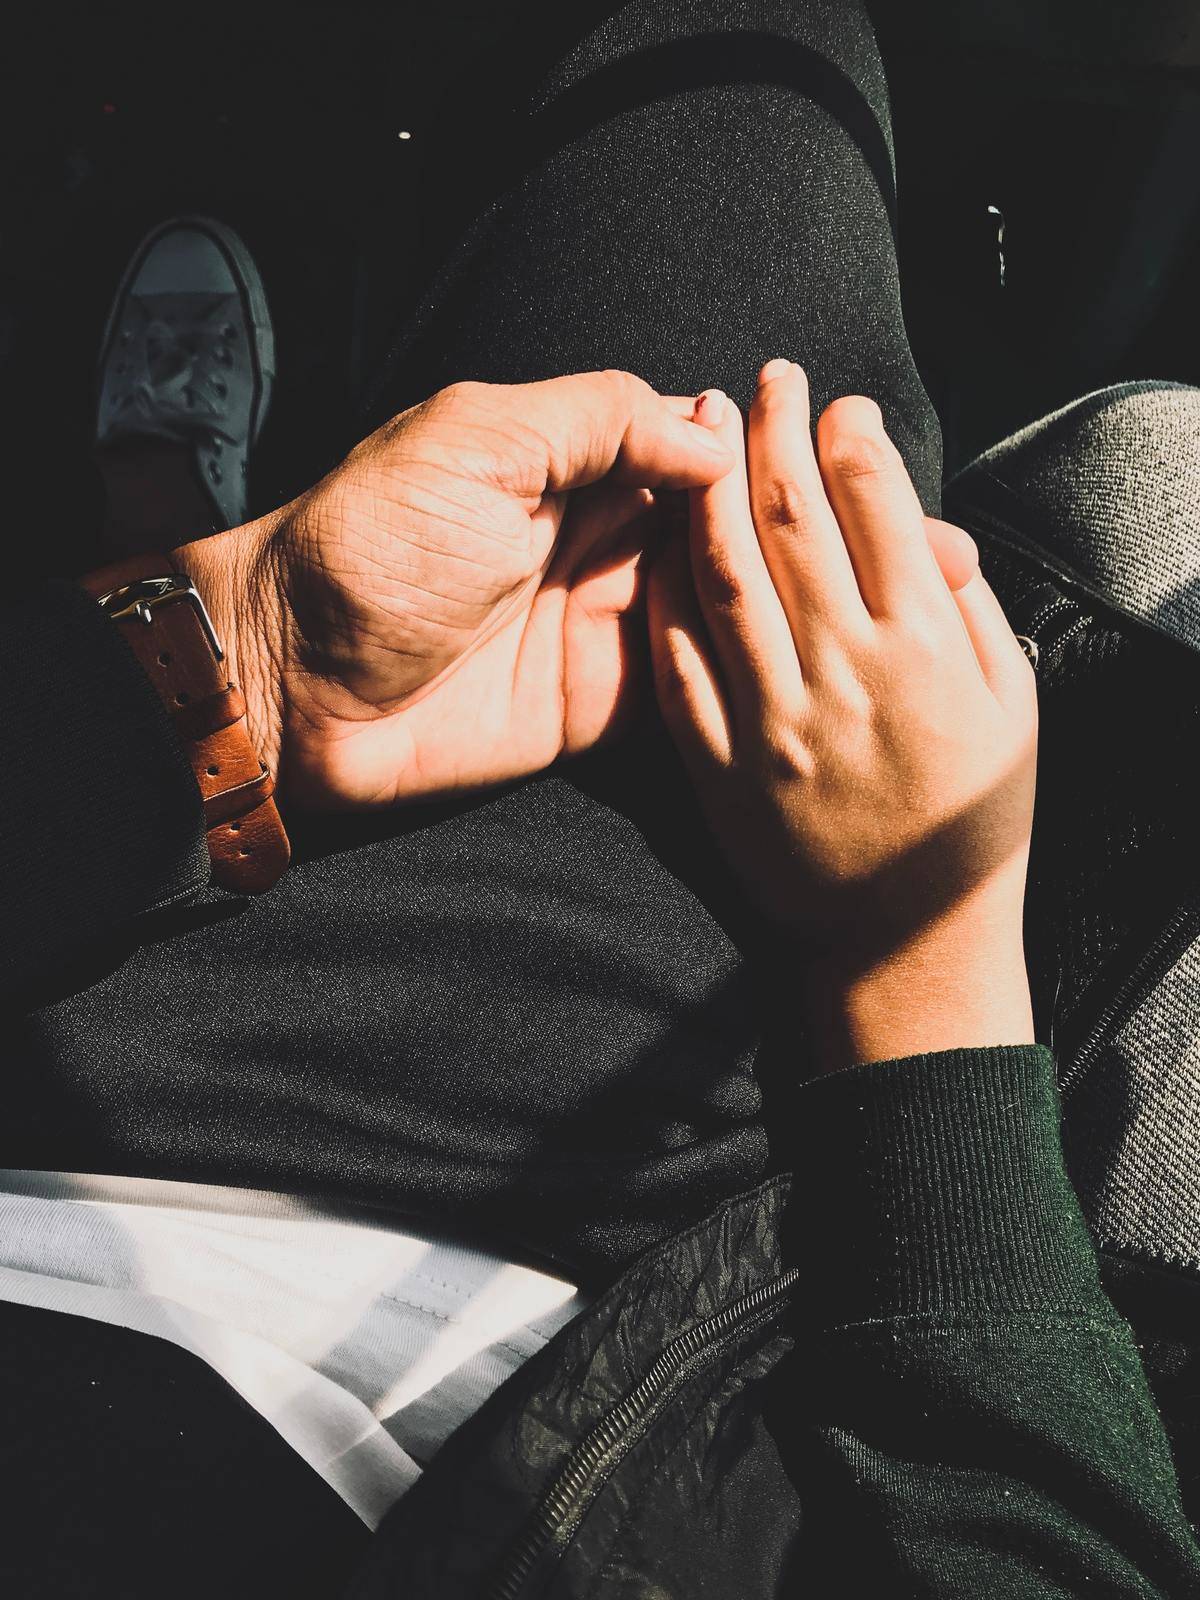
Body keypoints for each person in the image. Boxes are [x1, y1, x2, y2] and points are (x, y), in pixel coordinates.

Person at [2, 2, 1198, 1595]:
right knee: (740, 86)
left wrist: (247, 643)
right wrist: (922, 955)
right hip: (599, 1334)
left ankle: (165, 508)